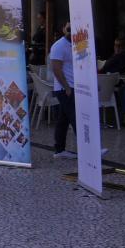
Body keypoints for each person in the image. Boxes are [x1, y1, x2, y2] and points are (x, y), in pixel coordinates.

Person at [48, 22, 77, 159]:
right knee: (75, 117)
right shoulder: (58, 46)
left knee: (63, 119)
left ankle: (59, 149)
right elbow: (56, 69)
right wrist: (66, 87)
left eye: (73, 29)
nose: (71, 31)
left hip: (74, 86)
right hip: (65, 88)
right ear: (63, 29)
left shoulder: (77, 44)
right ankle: (90, 151)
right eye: (69, 29)